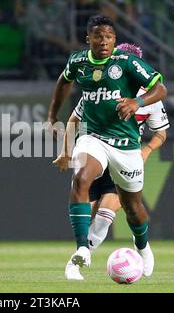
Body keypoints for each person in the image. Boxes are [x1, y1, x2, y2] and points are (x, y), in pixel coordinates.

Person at [48, 15, 167, 281]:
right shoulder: (78, 62)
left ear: (115, 39)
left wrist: (137, 102)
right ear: (88, 38)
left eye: (109, 37)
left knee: (133, 207)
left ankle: (143, 245)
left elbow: (160, 89)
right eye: (99, 36)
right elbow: (63, 83)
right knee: (81, 179)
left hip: (127, 148)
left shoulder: (126, 64)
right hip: (94, 139)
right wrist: (52, 117)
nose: (104, 41)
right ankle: (81, 251)